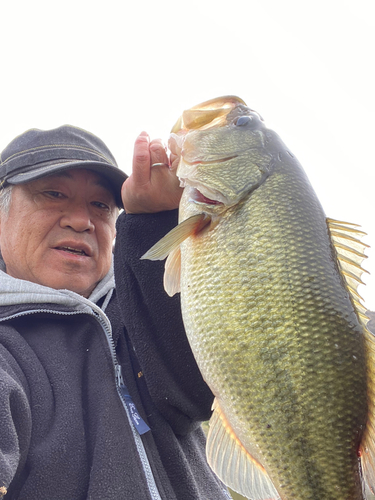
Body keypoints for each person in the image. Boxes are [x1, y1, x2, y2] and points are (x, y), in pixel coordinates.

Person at [0, 125, 231, 500]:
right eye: (53, 194)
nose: (81, 220)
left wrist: (155, 220)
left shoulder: (141, 313)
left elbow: (195, 394)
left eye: (101, 205)